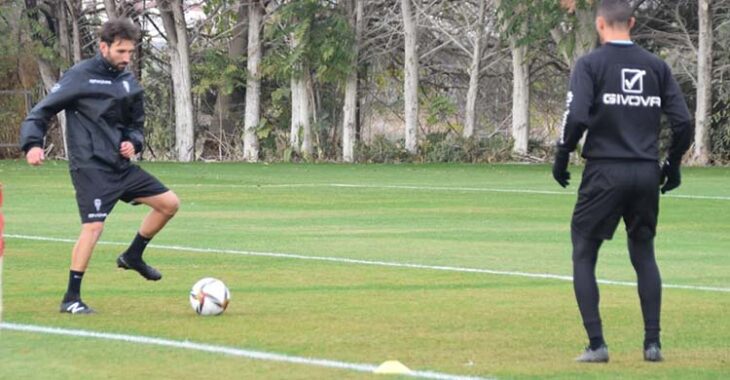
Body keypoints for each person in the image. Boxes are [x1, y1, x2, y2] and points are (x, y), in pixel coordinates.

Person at [552, 0, 693, 363]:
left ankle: (597, 344)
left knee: (584, 250)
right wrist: (672, 164)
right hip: (646, 172)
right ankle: (652, 344)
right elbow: (683, 123)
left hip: (605, 171)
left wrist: (563, 153)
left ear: (600, 24)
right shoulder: (656, 66)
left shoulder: (590, 64)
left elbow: (578, 114)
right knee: (644, 252)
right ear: (631, 22)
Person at [20, 19, 180, 314]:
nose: (126, 58)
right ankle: (71, 298)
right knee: (93, 227)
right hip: (90, 166)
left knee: (169, 204)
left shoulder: (128, 81)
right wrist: (32, 144)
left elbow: (136, 124)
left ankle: (133, 256)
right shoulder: (80, 76)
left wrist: (134, 142)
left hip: (120, 167)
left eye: (130, 52)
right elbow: (41, 112)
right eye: (121, 51)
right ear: (103, 47)